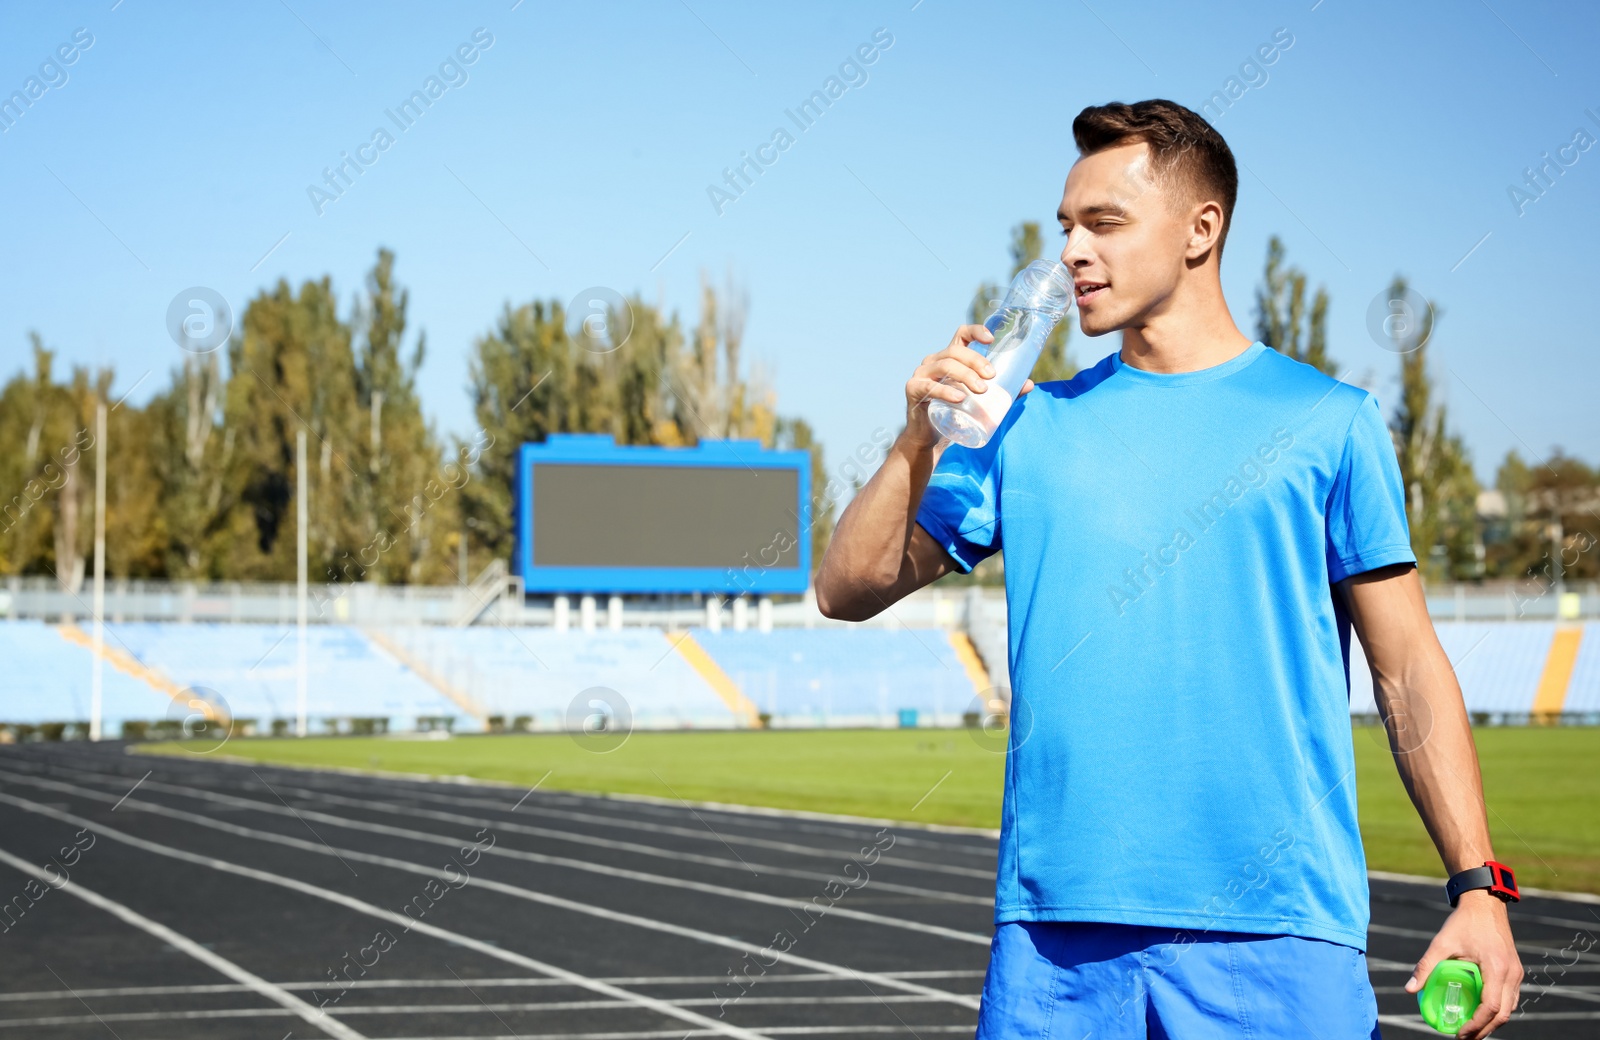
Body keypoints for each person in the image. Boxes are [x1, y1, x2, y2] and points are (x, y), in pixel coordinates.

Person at [815, 99, 1522, 1039]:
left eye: (1103, 223)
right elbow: (845, 588)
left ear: (1201, 229)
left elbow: (1406, 670)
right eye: (1065, 225)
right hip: (1053, 943)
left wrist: (1480, 887)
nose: (1071, 251)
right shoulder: (1023, 425)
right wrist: (915, 441)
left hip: (1276, 937)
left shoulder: (1330, 422)